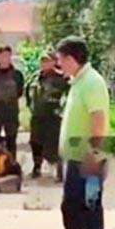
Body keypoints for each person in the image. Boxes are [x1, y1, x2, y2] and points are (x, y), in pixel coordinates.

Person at [50, 36, 109, 229]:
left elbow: (99, 120)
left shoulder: (93, 82)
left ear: (72, 58)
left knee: (90, 210)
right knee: (70, 207)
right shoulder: (78, 82)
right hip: (75, 158)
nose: (58, 63)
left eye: (61, 59)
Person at [26, 52, 69, 180]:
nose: (44, 64)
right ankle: (37, 167)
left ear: (54, 62)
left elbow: (69, 95)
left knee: (55, 143)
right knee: (35, 142)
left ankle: (59, 171)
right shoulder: (35, 78)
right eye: (42, 61)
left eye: (47, 61)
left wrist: (62, 109)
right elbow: (27, 92)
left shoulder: (62, 78)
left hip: (53, 116)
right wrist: (31, 107)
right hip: (38, 115)